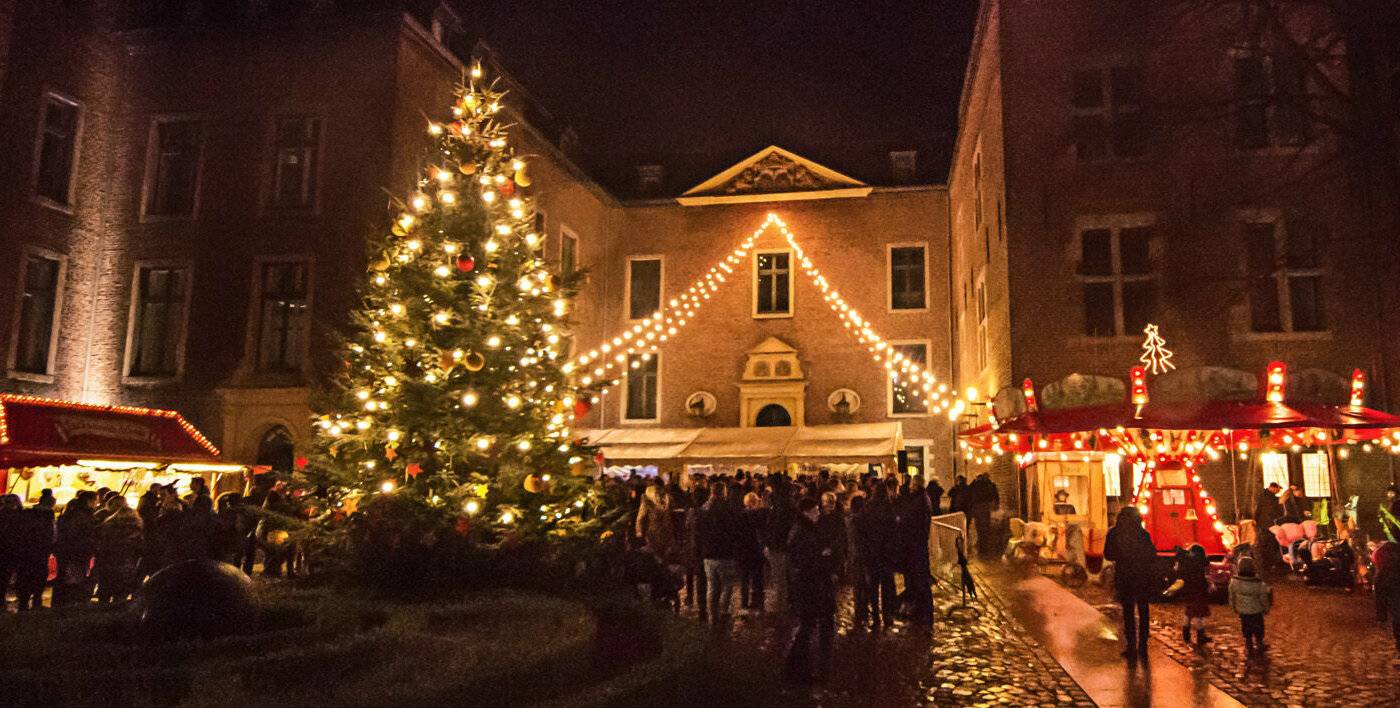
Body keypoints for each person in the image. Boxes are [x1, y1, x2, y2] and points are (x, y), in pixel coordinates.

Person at [784, 498, 838, 683]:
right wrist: (823, 557)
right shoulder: (803, 532)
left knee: (807, 626)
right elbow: (806, 561)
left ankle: (797, 668)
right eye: (815, 511)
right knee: (806, 627)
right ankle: (796, 669)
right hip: (808, 585)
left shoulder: (803, 529)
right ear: (806, 512)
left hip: (808, 584)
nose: (818, 513)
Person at [1103, 506, 1157, 661]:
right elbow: (1152, 554)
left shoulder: (1114, 533)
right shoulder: (1143, 534)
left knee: (1128, 612)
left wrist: (1122, 556)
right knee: (1143, 610)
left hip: (1124, 575)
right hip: (1142, 576)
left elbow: (1108, 554)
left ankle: (1131, 645)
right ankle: (1143, 645)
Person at [695, 482, 742, 623]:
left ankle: (712, 616)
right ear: (723, 492)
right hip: (725, 552)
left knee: (712, 586)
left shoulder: (703, 509)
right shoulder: (728, 509)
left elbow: (699, 531)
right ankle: (723, 611)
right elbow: (734, 530)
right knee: (727, 584)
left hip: (708, 553)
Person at [853, 482, 897, 628]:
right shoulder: (889, 508)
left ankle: (876, 616)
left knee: (873, 586)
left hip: (872, 553)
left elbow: (860, 529)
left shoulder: (867, 508)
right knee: (886, 586)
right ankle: (887, 615)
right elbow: (894, 531)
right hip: (886, 554)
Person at [54, 491, 100, 606]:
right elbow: (82, 535)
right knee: (74, 579)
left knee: (64, 577)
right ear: (89, 501)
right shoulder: (84, 516)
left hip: (66, 551)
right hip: (77, 552)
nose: (97, 504)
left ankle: (60, 603)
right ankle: (69, 604)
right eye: (96, 501)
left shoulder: (70, 514)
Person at [95, 496, 143, 603]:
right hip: (126, 564)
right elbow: (139, 549)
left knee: (105, 592)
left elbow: (101, 544)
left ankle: (102, 608)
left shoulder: (107, 526)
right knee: (121, 593)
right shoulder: (136, 530)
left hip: (108, 562)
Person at [14, 496, 55, 610]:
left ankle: (24, 601)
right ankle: (35, 600)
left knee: (26, 575)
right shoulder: (48, 517)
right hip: (40, 551)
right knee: (38, 575)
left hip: (27, 551)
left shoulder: (27, 515)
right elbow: (52, 536)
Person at [763, 475, 797, 614]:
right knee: (787, 578)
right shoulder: (789, 504)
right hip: (784, 545)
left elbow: (775, 527)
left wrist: (768, 543)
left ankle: (782, 608)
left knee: (780, 580)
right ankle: (789, 605)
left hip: (778, 545)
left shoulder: (779, 506)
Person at [1228, 555, 1271, 654]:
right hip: (1256, 611)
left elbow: (1232, 597)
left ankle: (1249, 645)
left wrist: (1234, 607)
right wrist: (1266, 608)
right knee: (1258, 629)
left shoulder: (1234, 582)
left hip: (1243, 611)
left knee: (1246, 629)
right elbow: (1263, 598)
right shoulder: (1259, 583)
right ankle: (1259, 644)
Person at [1169, 544, 1212, 645]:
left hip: (1187, 590)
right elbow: (1201, 576)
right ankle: (1200, 636)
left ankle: (1186, 634)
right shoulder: (1198, 563)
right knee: (1198, 614)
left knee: (1188, 612)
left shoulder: (1186, 562)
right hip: (1198, 591)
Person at [738, 491, 767, 611]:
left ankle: (744, 602)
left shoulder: (741, 515)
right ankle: (758, 601)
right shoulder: (760, 515)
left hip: (744, 550)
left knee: (744, 578)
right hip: (756, 550)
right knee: (757, 578)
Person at [1252, 482, 1284, 571]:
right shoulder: (1270, 498)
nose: (1278, 491)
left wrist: (1255, 520)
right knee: (1269, 544)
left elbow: (1257, 509)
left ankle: (1266, 564)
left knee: (1265, 544)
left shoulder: (1262, 496)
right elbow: (1274, 510)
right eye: (1278, 489)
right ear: (1273, 488)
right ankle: (1268, 564)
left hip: (1263, 524)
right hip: (1268, 525)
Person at [0, 494, 21, 609]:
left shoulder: (3, 514)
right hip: (11, 549)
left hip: (5, 549)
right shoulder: (18, 516)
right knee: (6, 575)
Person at [956, 534, 977, 604]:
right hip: (964, 570)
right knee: (969, 582)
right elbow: (962, 561)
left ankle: (972, 594)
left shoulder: (960, 551)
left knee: (969, 582)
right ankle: (972, 595)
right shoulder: (959, 551)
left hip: (964, 570)